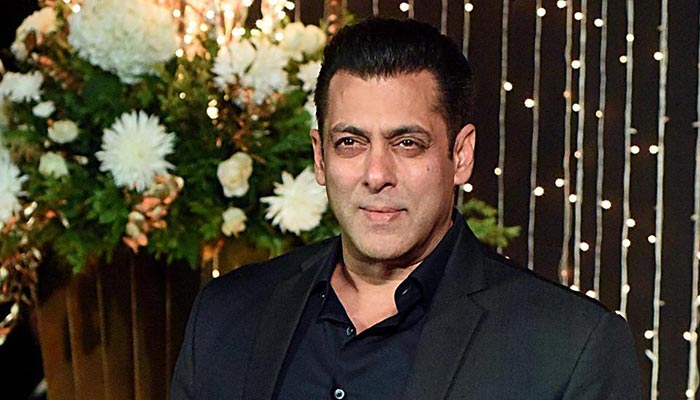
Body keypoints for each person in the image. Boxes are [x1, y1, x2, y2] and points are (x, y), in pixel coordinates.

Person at [170, 18, 641, 399]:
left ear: (460, 155)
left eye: (407, 143)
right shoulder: (227, 313)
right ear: (320, 157)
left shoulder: (568, 347)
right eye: (350, 142)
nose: (377, 174)